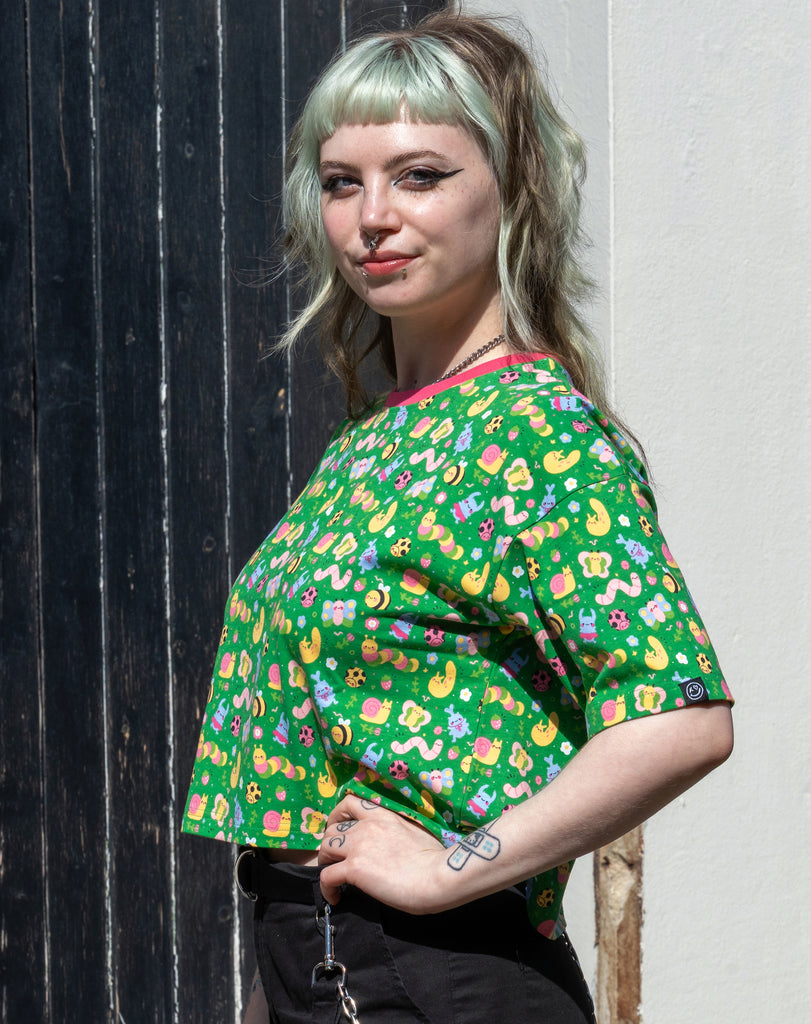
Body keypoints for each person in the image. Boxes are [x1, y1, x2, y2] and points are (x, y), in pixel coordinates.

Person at [183, 11, 734, 1023]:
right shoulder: (375, 438)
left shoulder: (534, 428)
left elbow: (680, 717)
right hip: (323, 965)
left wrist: (452, 866)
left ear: (513, 190)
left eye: (420, 175)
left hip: (439, 974)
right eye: (342, 181)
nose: (371, 218)